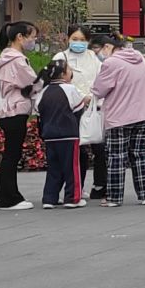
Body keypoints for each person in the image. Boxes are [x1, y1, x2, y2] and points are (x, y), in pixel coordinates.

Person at [92, 31, 145, 207]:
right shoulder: (139, 56)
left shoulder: (111, 63)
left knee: (116, 156)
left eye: (97, 50)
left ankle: (114, 197)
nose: (98, 55)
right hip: (144, 113)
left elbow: (99, 90)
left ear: (107, 46)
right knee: (140, 154)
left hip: (119, 116)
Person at [0, 20, 39, 210]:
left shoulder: (5, 57)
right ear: (20, 37)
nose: (34, 41)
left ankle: (6, 196)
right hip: (15, 110)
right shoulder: (17, 61)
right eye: (32, 37)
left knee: (10, 155)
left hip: (7, 110)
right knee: (12, 155)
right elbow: (33, 84)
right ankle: (9, 198)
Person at [34, 56, 89, 209]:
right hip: (68, 134)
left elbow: (38, 112)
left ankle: (49, 198)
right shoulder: (70, 89)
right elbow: (78, 110)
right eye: (69, 69)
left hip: (49, 135)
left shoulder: (43, 91)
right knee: (72, 167)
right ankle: (72, 198)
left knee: (54, 168)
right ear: (63, 74)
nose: (71, 71)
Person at [64, 24, 106, 202]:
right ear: (68, 39)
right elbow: (59, 81)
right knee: (78, 151)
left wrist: (94, 96)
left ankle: (100, 186)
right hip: (72, 109)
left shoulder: (93, 58)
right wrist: (81, 97)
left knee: (100, 148)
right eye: (75, 39)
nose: (78, 43)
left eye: (82, 40)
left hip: (94, 107)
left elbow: (102, 78)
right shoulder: (61, 57)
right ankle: (77, 187)